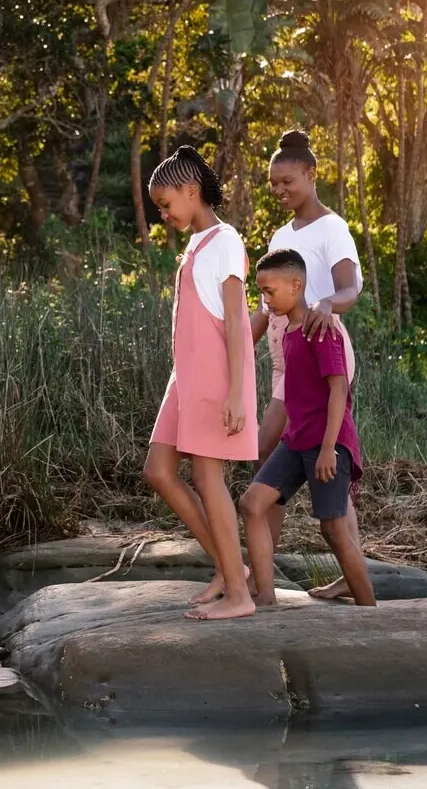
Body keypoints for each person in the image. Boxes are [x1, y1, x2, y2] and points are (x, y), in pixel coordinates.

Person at [143, 145, 259, 621]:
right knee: (159, 470)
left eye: (167, 203)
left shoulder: (225, 241)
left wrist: (235, 391)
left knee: (207, 476)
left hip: (214, 375)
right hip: (185, 378)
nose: (164, 214)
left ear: (192, 191)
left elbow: (235, 321)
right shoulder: (196, 243)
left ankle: (238, 594)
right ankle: (231, 571)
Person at [247, 130, 363, 603]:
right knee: (269, 461)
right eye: (273, 183)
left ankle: (264, 578)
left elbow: (350, 289)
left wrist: (324, 304)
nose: (279, 191)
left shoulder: (333, 227)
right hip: (284, 361)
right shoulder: (281, 235)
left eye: (287, 181)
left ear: (311, 175)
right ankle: (266, 573)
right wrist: (234, 346)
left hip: (319, 357)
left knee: (267, 457)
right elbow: (264, 302)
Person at [240, 249, 375, 607]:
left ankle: (371, 613)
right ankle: (265, 596)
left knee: (333, 529)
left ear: (296, 285)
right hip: (295, 441)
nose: (264, 300)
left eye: (269, 291)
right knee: (252, 503)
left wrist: (330, 447)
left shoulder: (323, 330)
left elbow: (339, 390)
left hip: (326, 442)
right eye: (261, 292)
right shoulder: (288, 333)